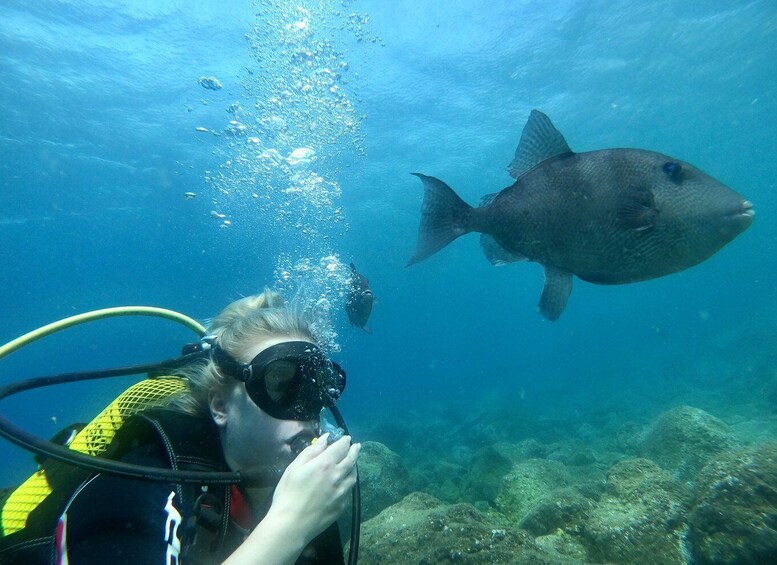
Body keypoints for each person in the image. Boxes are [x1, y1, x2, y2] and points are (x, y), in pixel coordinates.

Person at [0, 290, 360, 564]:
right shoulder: (137, 484)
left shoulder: (303, 491)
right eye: (280, 384)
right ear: (220, 406)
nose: (306, 411)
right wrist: (289, 526)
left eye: (316, 388)